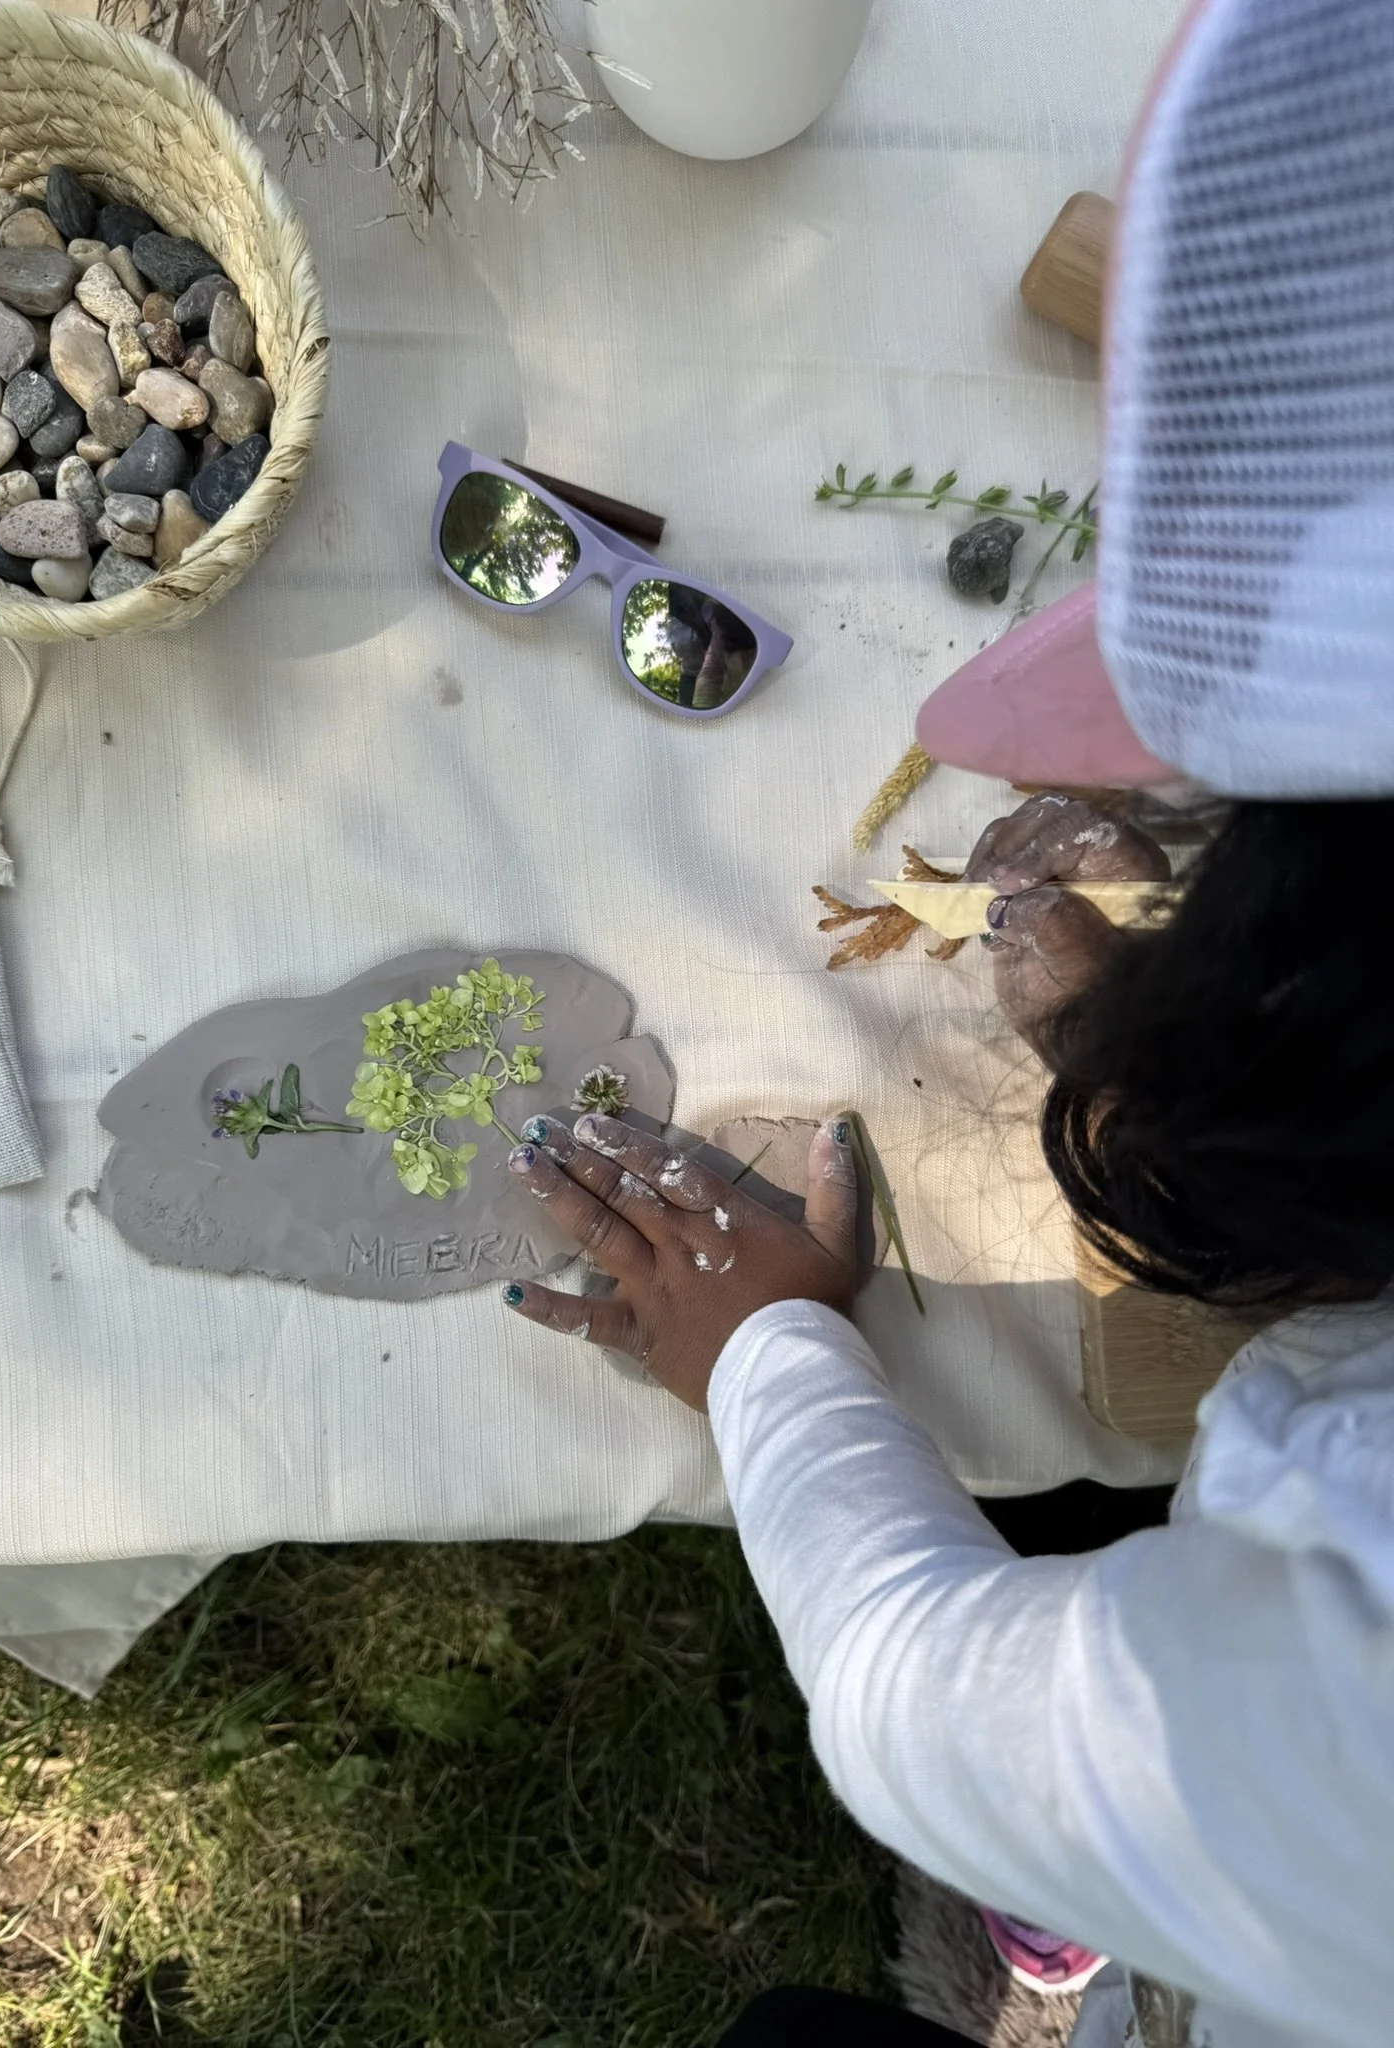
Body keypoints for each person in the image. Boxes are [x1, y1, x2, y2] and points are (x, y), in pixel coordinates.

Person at [497, 2, 1394, 2043]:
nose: (1158, 848)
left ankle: (1076, 1931)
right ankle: (1101, 1912)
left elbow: (919, 1688)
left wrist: (771, 1356)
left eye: (1228, 842)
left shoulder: (1350, 1663)